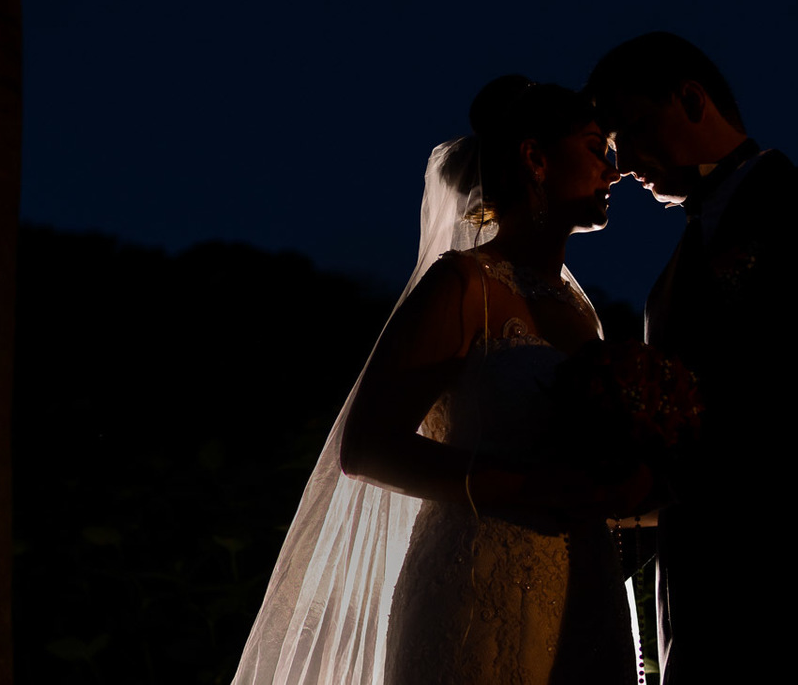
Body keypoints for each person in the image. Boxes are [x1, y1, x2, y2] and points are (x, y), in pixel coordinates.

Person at [231, 76, 647, 684]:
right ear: (535, 158)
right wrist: (527, 487)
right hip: (480, 583)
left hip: (586, 581)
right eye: (593, 148)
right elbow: (368, 447)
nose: (612, 172)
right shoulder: (462, 286)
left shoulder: (581, 312)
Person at [584, 32, 798, 684]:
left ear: (692, 98)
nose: (624, 161)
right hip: (705, 625)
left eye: (632, 129)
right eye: (613, 145)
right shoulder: (665, 284)